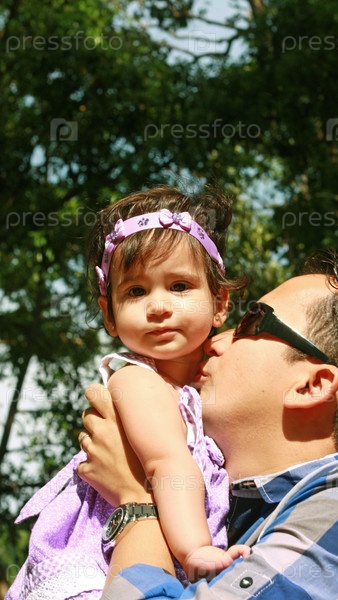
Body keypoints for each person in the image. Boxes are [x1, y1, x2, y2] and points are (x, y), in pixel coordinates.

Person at [77, 249, 338, 599]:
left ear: (311, 386)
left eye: (251, 323)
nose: (215, 340)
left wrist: (136, 505)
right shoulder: (249, 525)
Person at [6, 185, 248, 600]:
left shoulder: (204, 384)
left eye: (179, 286)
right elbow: (165, 462)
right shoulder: (136, 380)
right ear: (110, 314)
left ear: (220, 303)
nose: (158, 306)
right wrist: (195, 549)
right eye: (136, 291)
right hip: (104, 563)